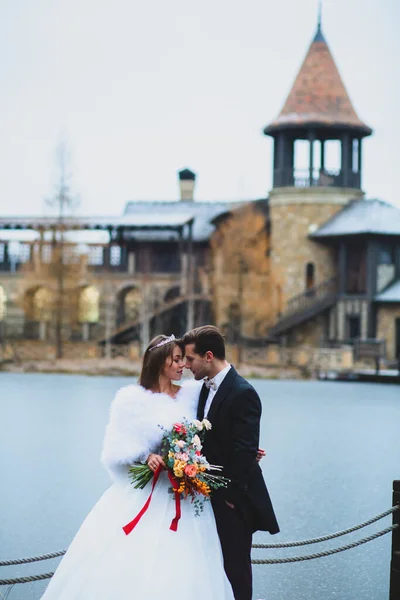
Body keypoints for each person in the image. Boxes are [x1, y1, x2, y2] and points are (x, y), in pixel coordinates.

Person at [41, 334, 235, 600]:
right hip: (149, 492)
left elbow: (214, 429)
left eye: (183, 360)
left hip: (187, 496)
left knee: (187, 560)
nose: (183, 366)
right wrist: (146, 457)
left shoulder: (194, 395)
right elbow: (117, 451)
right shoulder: (131, 401)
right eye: (177, 360)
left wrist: (241, 451)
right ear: (159, 362)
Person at [182, 325, 280, 600]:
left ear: (209, 356)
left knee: (236, 571)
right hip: (205, 497)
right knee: (210, 568)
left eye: (190, 359)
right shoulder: (202, 389)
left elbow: (244, 452)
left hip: (232, 502)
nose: (187, 365)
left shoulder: (243, 392)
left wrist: (230, 499)